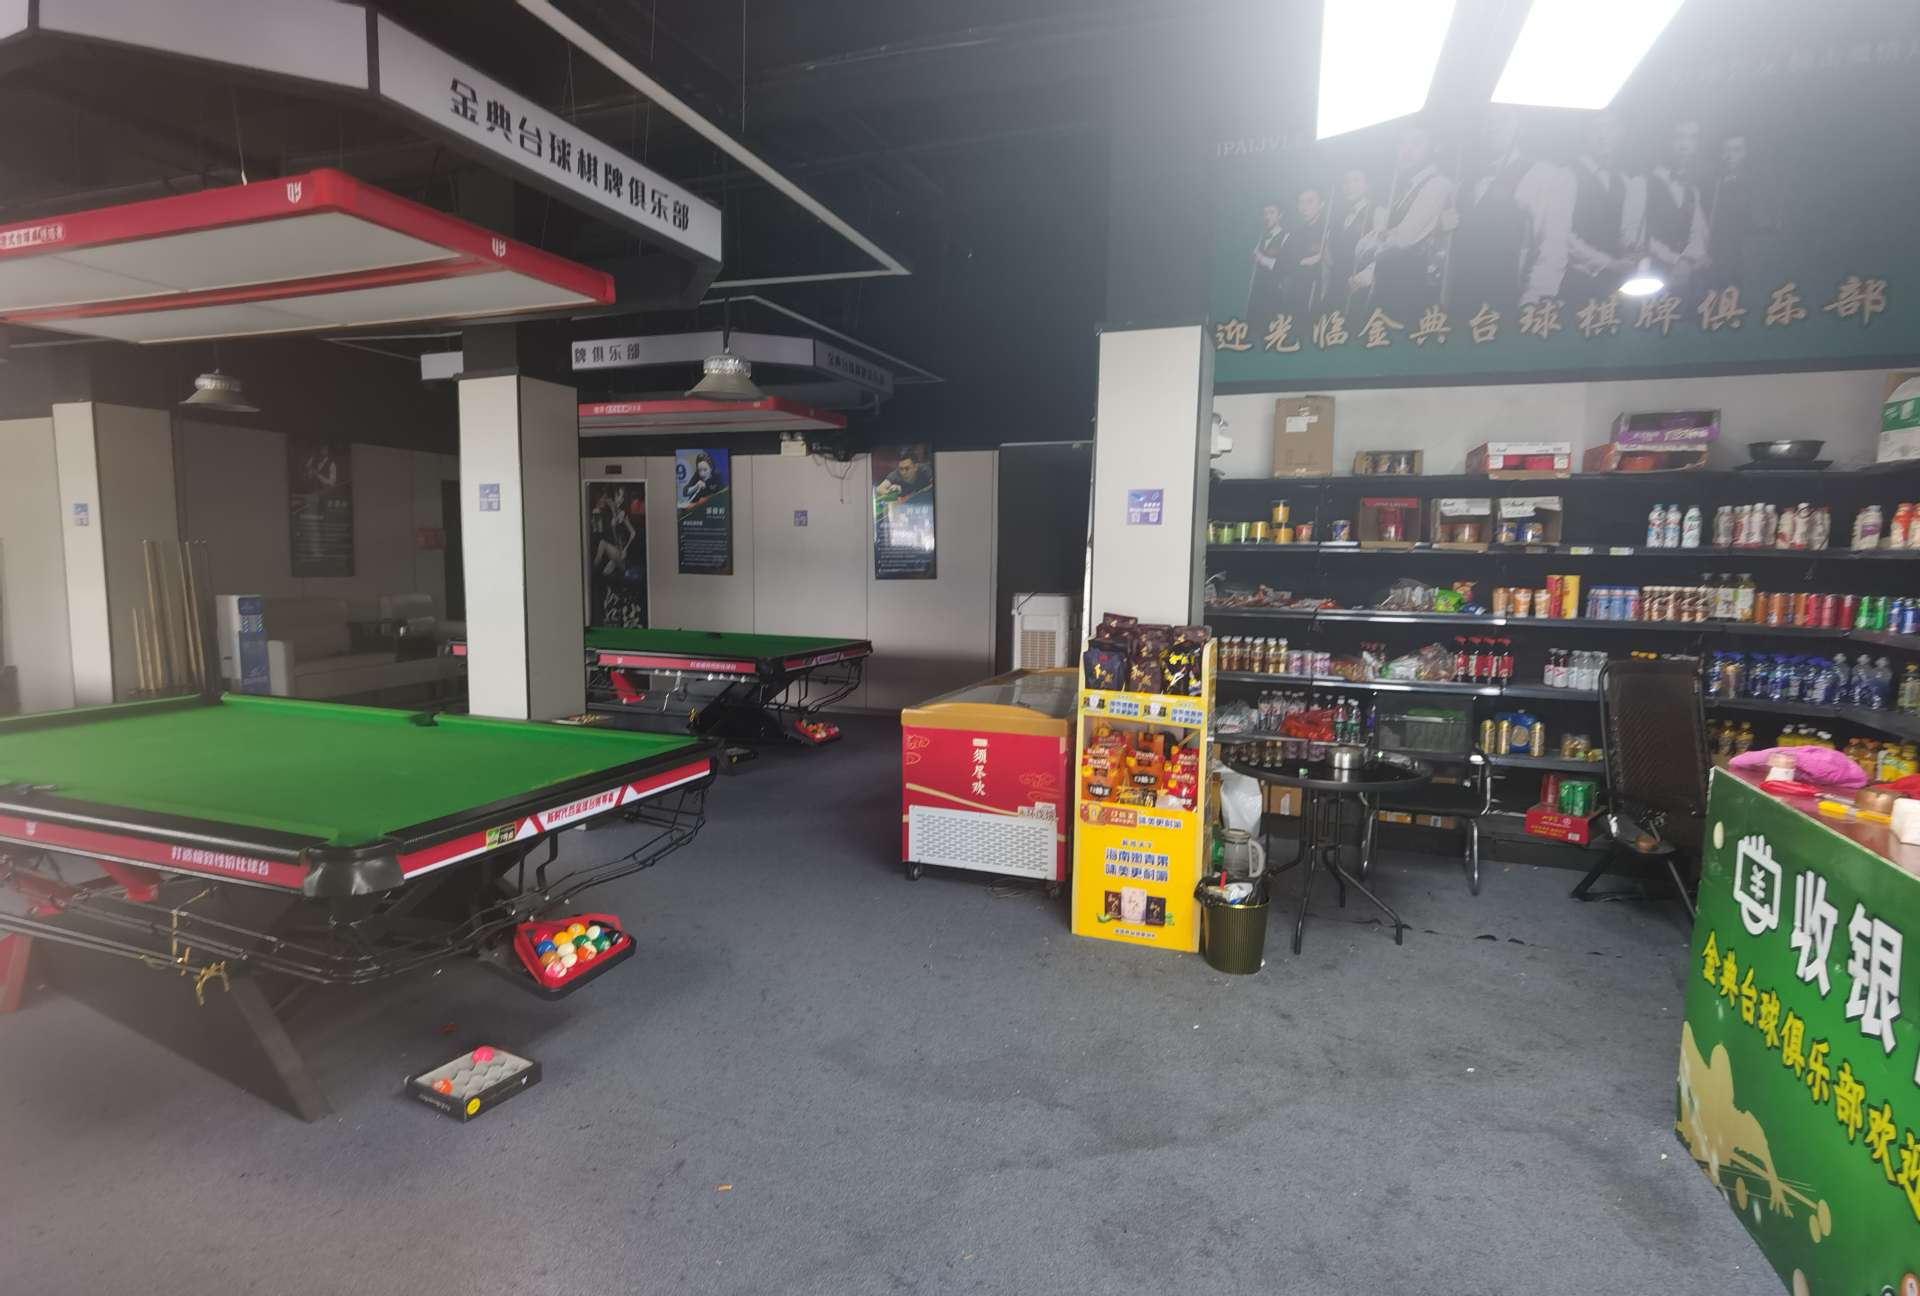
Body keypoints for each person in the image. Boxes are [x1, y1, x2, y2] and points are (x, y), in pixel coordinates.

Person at [1442, 105, 1571, 321]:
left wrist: (1533, 300)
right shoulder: (1462, 185)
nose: (1493, 127)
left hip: (1511, 304)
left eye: (1502, 120)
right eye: (1487, 122)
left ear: (1517, 125)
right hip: (1459, 306)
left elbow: (1551, 245)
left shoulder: (1542, 175)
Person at [1350, 124, 1452, 324]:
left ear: (1434, 147)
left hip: (1411, 297)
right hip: (1387, 293)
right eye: (1402, 143)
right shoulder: (1402, 190)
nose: (1407, 150)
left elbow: (1403, 238)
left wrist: (1377, 238)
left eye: (1417, 143)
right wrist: (1376, 246)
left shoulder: (1438, 184)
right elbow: (1364, 250)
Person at [1623, 119, 1711, 296]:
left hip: (1685, 284)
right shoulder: (1641, 183)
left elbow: (1698, 234)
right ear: (1666, 141)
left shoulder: (1692, 191)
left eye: (1692, 138)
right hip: (1648, 282)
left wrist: (1692, 258)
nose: (1685, 145)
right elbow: (1632, 236)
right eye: (1679, 137)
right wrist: (1676, 260)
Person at [1562, 112, 1636, 302]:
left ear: (1620, 133)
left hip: (1617, 285)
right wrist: (1609, 264)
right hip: (1577, 285)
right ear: (1585, 134)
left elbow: (1627, 230)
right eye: (1597, 128)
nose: (1604, 136)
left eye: (1610, 127)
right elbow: (1563, 236)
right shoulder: (1567, 175)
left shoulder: (1623, 180)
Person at [1324, 168, 1386, 320]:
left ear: (1367, 185)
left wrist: (1363, 278)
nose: (1350, 186)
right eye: (1346, 182)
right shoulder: (1337, 216)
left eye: (1356, 180)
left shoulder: (1377, 211)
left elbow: (1383, 251)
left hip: (1360, 286)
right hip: (1335, 285)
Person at [1706, 133, 1756, 286]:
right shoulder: (1710, 183)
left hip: (1740, 258)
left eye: (1736, 150)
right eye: (1725, 150)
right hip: (1708, 258)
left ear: (1746, 153)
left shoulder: (1753, 186)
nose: (1729, 156)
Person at [1281, 186, 1328, 323]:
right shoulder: (1295, 233)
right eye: (1301, 202)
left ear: (1321, 204)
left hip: (1318, 291)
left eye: (1310, 201)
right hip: (1293, 291)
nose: (1304, 207)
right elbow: (1283, 261)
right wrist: (1304, 261)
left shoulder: (1328, 230)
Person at [1245, 202, 1287, 326]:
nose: (1267, 217)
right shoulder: (1261, 236)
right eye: (1265, 213)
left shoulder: (1286, 236)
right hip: (1256, 292)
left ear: (1280, 215)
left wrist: (1261, 258)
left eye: (1272, 212)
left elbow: (1282, 265)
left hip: (1273, 295)